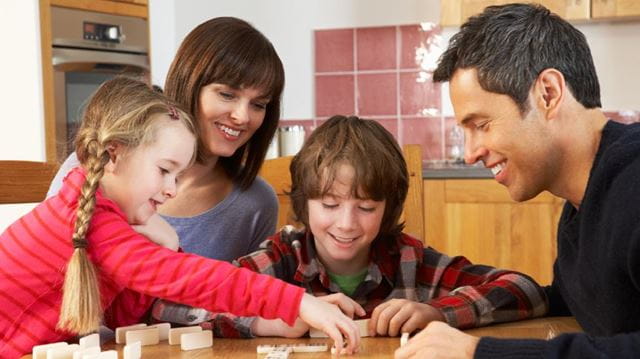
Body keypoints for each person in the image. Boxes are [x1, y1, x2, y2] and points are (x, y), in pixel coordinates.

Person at [0, 78, 360, 359]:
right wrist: (299, 302)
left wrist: (167, 245)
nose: (172, 189)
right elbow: (197, 281)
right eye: (164, 170)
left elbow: (127, 315)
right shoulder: (95, 224)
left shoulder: (100, 215)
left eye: (178, 175)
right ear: (114, 155)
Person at [152, 115, 548, 340]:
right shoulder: (282, 257)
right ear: (304, 203)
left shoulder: (409, 258)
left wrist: (435, 313)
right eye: (328, 204)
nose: (346, 224)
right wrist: (271, 318)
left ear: (388, 209)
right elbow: (169, 305)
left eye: (366, 207)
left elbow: (526, 290)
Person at [395, 3, 640, 359]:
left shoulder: (633, 184)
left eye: (481, 125)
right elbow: (573, 301)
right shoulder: (583, 202)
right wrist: (443, 311)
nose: (470, 153)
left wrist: (479, 353)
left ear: (548, 94)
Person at [48, 16, 283, 261]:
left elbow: (246, 293)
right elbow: (48, 267)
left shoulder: (256, 204)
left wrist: (171, 251)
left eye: (258, 104)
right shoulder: (101, 161)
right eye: (226, 94)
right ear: (189, 83)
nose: (242, 116)